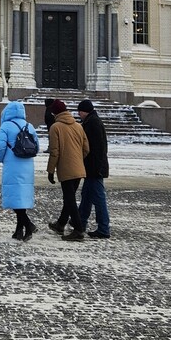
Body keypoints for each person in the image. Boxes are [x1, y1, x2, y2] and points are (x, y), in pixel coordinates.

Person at [0, 100, 40, 240]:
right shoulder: (29, 126)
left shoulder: (6, 126)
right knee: (21, 199)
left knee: (15, 199)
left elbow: (0, 147)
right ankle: (19, 231)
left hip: (12, 166)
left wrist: (3, 159)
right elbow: (36, 146)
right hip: (27, 166)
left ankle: (29, 225)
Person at [46, 98, 89, 242]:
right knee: (69, 198)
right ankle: (61, 224)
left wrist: (50, 171)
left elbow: (54, 152)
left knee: (69, 199)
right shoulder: (78, 126)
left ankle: (78, 229)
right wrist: (77, 160)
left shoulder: (55, 127)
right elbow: (86, 148)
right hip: (79, 168)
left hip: (66, 169)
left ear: (55, 113)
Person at [77, 98, 111, 238]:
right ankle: (80, 222)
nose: (79, 114)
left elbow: (97, 149)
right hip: (93, 167)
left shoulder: (92, 123)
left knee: (98, 198)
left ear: (84, 111)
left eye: (80, 112)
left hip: (95, 168)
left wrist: (96, 168)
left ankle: (103, 228)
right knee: (86, 196)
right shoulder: (91, 121)